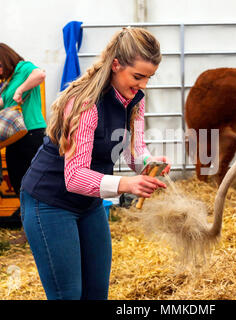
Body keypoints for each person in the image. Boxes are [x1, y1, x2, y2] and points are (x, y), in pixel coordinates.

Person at [20, 27, 171, 300]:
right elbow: (75, 177)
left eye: (148, 78)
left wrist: (149, 163)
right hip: (50, 201)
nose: (143, 85)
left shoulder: (134, 99)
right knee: (68, 294)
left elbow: (133, 152)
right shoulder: (85, 103)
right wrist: (127, 184)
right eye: (137, 76)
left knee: (96, 292)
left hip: (88, 205)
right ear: (116, 65)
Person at [0, 43, 46, 196]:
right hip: (14, 138)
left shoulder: (22, 67)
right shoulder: (7, 81)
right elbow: (4, 103)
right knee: (18, 183)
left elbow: (40, 75)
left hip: (32, 134)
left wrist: (20, 90)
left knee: (33, 184)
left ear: (5, 58)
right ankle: (26, 217)